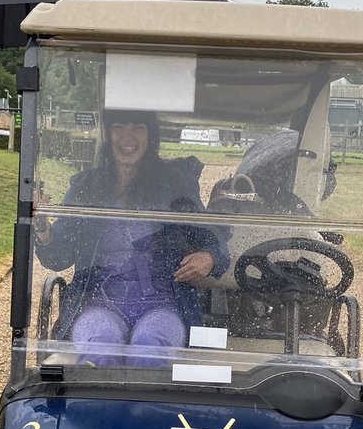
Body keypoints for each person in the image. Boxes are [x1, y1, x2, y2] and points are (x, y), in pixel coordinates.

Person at [34, 108, 227, 365]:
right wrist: (41, 226)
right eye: (119, 127)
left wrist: (209, 257)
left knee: (150, 350)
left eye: (138, 127)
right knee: (101, 349)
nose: (128, 137)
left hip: (163, 301)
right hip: (97, 299)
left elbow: (214, 242)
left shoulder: (176, 184)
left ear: (151, 136)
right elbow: (58, 256)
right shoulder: (86, 186)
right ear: (107, 135)